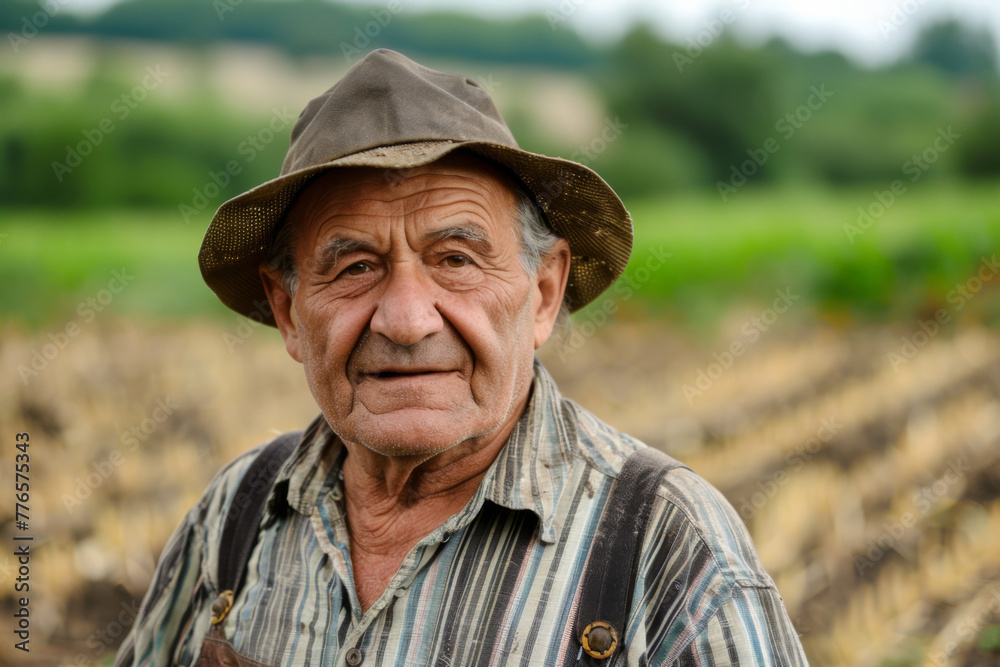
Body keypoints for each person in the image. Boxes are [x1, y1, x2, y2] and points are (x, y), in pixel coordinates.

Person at [115, 49, 808, 666]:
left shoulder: (666, 543)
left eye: (455, 259)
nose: (408, 320)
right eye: (355, 266)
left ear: (542, 293)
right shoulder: (238, 513)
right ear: (289, 308)